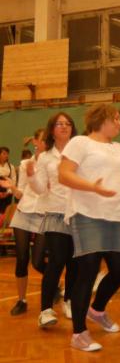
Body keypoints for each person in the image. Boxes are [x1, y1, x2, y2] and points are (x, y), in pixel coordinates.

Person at [59, 104, 120, 352]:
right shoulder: (80, 143)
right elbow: (64, 174)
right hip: (86, 214)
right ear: (102, 120)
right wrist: (93, 187)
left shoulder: (119, 149)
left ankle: (97, 310)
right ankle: (79, 333)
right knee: (87, 272)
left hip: (114, 216)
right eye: (116, 119)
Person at [28, 113, 78, 327]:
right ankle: (45, 310)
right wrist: (31, 176)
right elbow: (40, 189)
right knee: (57, 260)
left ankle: (69, 301)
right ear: (52, 129)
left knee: (74, 263)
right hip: (55, 213)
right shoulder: (45, 157)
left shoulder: (79, 153)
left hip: (77, 214)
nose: (64, 127)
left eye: (68, 123)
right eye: (59, 124)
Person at [1, 130, 48, 316]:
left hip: (43, 215)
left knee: (38, 262)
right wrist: (12, 187)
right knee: (21, 259)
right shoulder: (24, 164)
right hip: (23, 214)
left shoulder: (53, 163)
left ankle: (54, 284)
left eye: (47, 140)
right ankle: (22, 300)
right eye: (41, 139)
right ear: (35, 141)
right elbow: (20, 194)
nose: (43, 142)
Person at [0, 146, 17, 214]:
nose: (6, 155)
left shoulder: (11, 166)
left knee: (6, 212)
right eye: (4, 153)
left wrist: (8, 192)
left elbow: (14, 180)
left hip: (8, 194)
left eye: (7, 154)